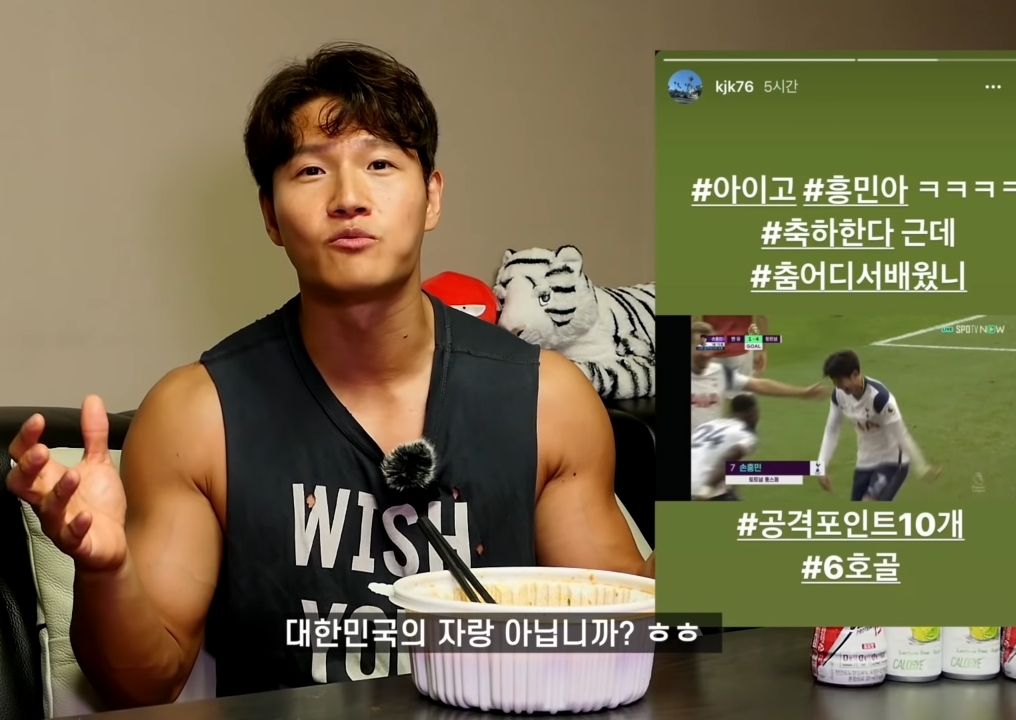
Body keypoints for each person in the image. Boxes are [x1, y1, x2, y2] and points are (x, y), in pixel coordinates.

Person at [6, 42, 652, 708]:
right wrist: (105, 569)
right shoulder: (196, 415)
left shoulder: (547, 399)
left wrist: (715, 509)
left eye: (380, 164)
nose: (348, 198)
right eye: (312, 171)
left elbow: (629, 639)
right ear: (270, 215)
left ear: (431, 196)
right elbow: (144, 682)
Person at [815, 349, 941, 500]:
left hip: (893, 461)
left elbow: (901, 434)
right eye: (835, 382)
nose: (838, 386)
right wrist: (821, 466)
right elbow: (832, 430)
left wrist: (921, 467)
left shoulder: (880, 399)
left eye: (840, 381)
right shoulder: (839, 395)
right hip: (865, 461)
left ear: (855, 374)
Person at [691, 321, 826, 431]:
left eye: (709, 346)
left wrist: (802, 392)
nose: (706, 353)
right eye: (700, 346)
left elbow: (760, 385)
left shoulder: (719, 372)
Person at [690, 393, 760, 501]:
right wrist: (707, 488)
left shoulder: (708, 425)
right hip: (701, 488)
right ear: (752, 413)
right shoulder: (745, 434)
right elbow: (731, 456)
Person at [696, 315, 768, 396]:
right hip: (740, 347)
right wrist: (761, 349)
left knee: (709, 397)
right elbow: (762, 316)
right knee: (742, 398)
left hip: (712, 347)